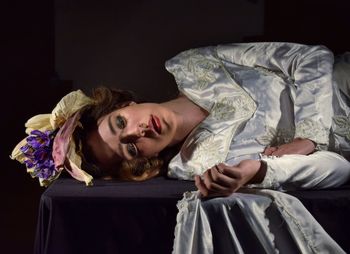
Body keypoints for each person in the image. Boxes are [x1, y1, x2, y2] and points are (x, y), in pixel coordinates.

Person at [11, 42, 350, 252]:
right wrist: (263, 168)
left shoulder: (192, 64)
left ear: (125, 104)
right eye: (130, 148)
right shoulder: (198, 162)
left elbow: (310, 57)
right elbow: (336, 167)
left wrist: (310, 135)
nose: (138, 131)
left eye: (120, 123)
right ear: (144, 162)